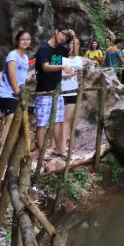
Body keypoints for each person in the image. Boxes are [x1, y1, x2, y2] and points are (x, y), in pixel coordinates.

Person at [34, 24, 76, 160]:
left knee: (58, 121)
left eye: (66, 35)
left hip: (57, 91)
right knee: (42, 123)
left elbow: (74, 54)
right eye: (62, 34)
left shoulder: (59, 49)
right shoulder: (44, 49)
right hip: (44, 91)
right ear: (56, 31)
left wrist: (74, 38)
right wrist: (62, 66)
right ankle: (41, 152)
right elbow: (46, 67)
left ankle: (59, 149)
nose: (63, 37)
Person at [0, 31, 32, 152]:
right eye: (22, 39)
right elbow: (12, 75)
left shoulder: (25, 57)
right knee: (10, 118)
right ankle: (1, 149)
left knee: (17, 119)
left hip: (17, 94)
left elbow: (21, 75)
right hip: (7, 93)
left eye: (27, 39)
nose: (25, 41)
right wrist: (17, 90)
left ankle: (9, 148)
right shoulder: (13, 55)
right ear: (17, 41)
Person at [60, 36, 87, 153]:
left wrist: (80, 75)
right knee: (60, 119)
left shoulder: (79, 60)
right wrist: (70, 74)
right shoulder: (61, 57)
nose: (74, 46)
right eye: (72, 43)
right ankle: (61, 145)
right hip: (61, 90)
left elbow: (79, 78)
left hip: (73, 90)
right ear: (68, 44)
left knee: (69, 119)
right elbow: (54, 74)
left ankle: (67, 143)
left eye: (77, 44)